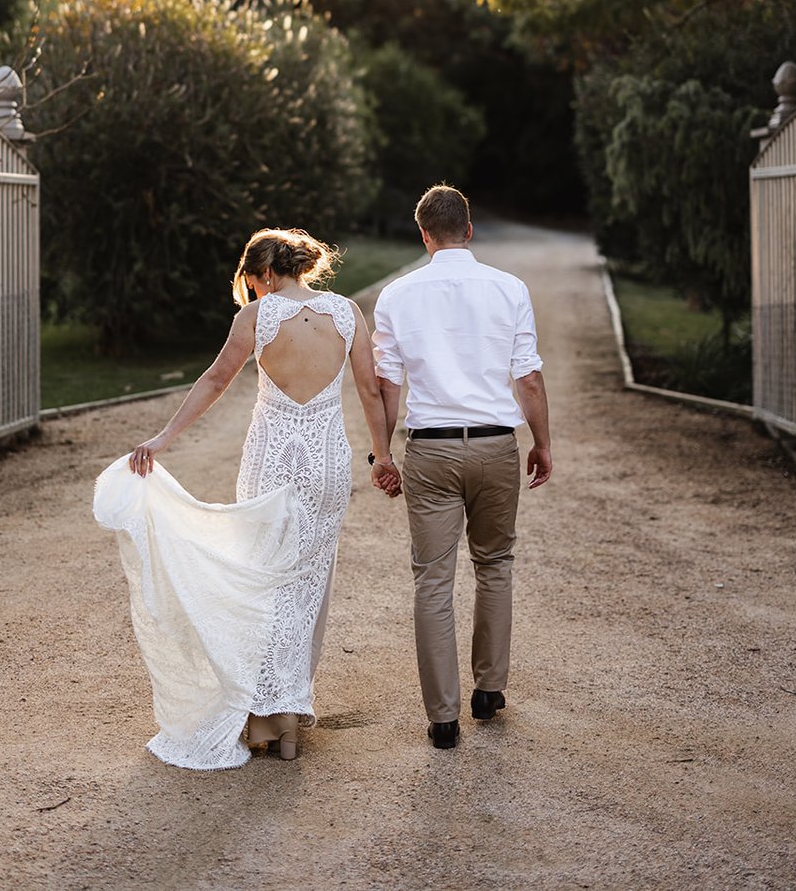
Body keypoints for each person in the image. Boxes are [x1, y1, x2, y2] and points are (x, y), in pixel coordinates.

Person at [93, 226, 400, 771]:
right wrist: (383, 456)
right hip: (326, 460)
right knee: (305, 583)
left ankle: (265, 718)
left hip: (272, 459)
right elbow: (371, 389)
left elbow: (214, 381)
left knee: (262, 578)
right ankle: (287, 720)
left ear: (262, 275)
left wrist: (162, 439)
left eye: (252, 284)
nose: (255, 293)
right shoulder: (347, 312)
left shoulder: (255, 318)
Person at [371, 185, 552, 749]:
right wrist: (542, 441)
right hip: (497, 445)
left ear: (424, 235)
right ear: (469, 230)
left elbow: (387, 384)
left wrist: (385, 453)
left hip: (431, 450)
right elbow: (528, 375)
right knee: (495, 563)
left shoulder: (397, 296)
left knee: (432, 580)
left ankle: (443, 718)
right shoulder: (509, 288)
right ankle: (489, 690)